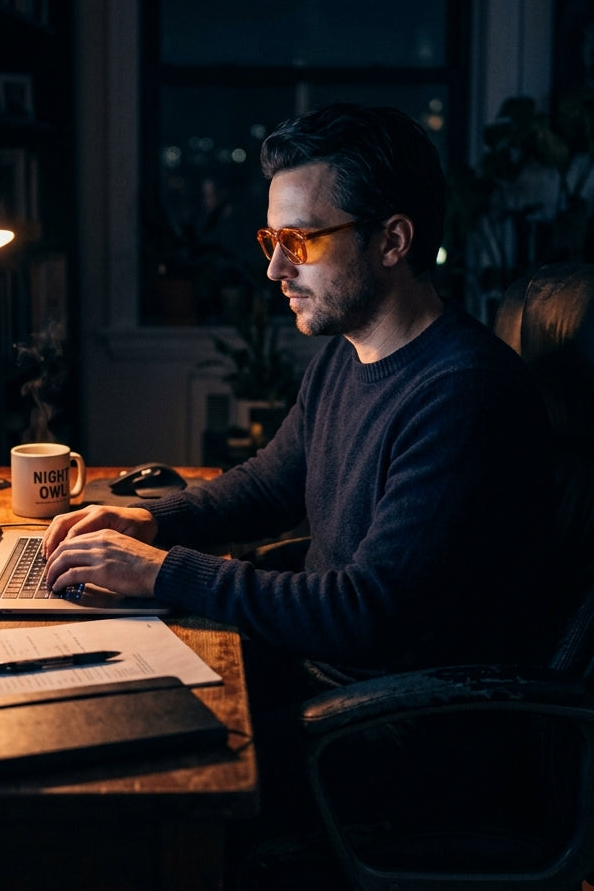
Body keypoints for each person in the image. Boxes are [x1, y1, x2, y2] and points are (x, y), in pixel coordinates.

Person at [43, 102, 556, 680]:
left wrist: (162, 572)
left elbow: (363, 613)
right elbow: (270, 484)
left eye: (301, 239)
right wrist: (151, 522)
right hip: (313, 664)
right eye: (273, 239)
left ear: (392, 241)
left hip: (377, 720)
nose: (276, 268)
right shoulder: (347, 354)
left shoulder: (463, 397)